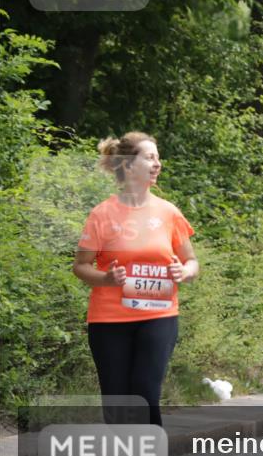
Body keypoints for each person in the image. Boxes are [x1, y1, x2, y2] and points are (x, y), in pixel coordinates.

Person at [73, 133, 198, 427]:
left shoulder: (169, 213)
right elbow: (80, 266)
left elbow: (191, 261)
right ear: (129, 166)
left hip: (158, 315)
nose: (158, 164)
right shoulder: (102, 214)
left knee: (144, 389)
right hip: (109, 319)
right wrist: (106, 278)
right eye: (150, 157)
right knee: (117, 398)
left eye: (158, 158)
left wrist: (185, 272)